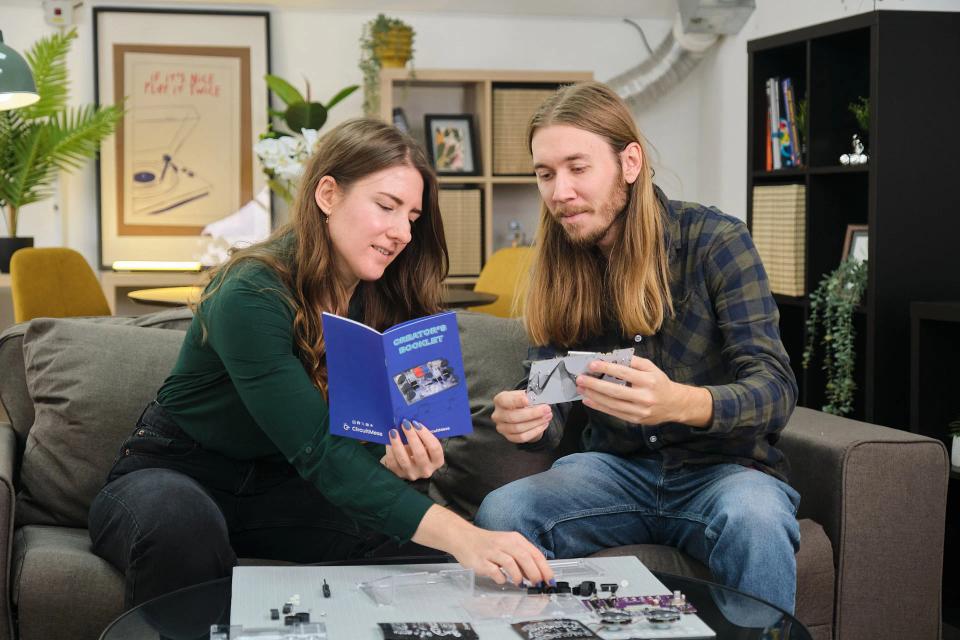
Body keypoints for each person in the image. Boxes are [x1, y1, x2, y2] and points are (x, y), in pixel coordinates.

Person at [89, 118, 552, 608]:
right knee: (182, 525)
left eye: (412, 217)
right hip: (177, 473)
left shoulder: (385, 303)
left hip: (286, 492)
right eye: (386, 206)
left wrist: (406, 466)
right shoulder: (249, 290)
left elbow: (364, 452)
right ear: (328, 195)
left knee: (419, 548)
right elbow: (320, 450)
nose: (401, 234)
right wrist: (467, 537)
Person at [473, 83, 801, 613]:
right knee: (503, 512)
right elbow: (552, 397)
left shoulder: (714, 241)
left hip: (724, 474)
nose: (559, 192)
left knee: (756, 520)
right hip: (613, 470)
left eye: (578, 168)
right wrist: (529, 415)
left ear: (629, 162)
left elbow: (775, 389)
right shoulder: (561, 263)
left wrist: (682, 404)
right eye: (545, 174)